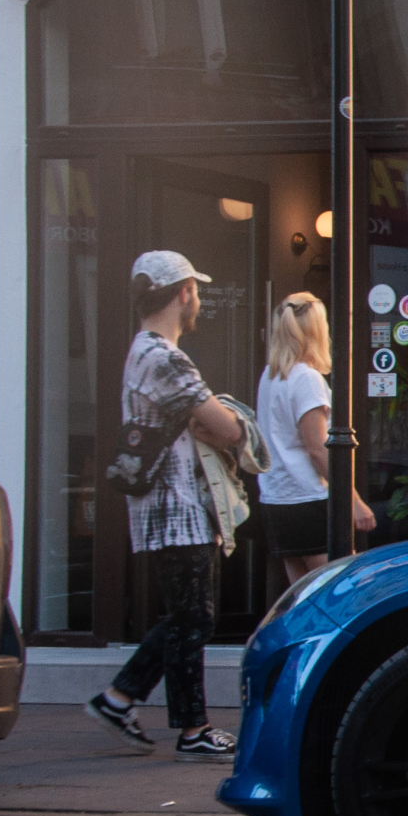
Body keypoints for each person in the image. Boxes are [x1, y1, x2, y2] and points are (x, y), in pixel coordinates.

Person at [85, 251, 247, 759]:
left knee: (186, 616)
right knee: (193, 617)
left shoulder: (142, 351)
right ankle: (164, 715)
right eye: (195, 290)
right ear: (182, 293)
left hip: (165, 507)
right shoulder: (165, 358)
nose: (197, 298)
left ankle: (152, 710)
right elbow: (226, 428)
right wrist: (235, 426)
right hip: (177, 508)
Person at [255, 293, 374, 586]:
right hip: (308, 499)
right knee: (339, 589)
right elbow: (318, 449)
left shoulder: (270, 376)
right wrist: (354, 501)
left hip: (277, 497)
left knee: (301, 596)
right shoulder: (306, 379)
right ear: (317, 331)